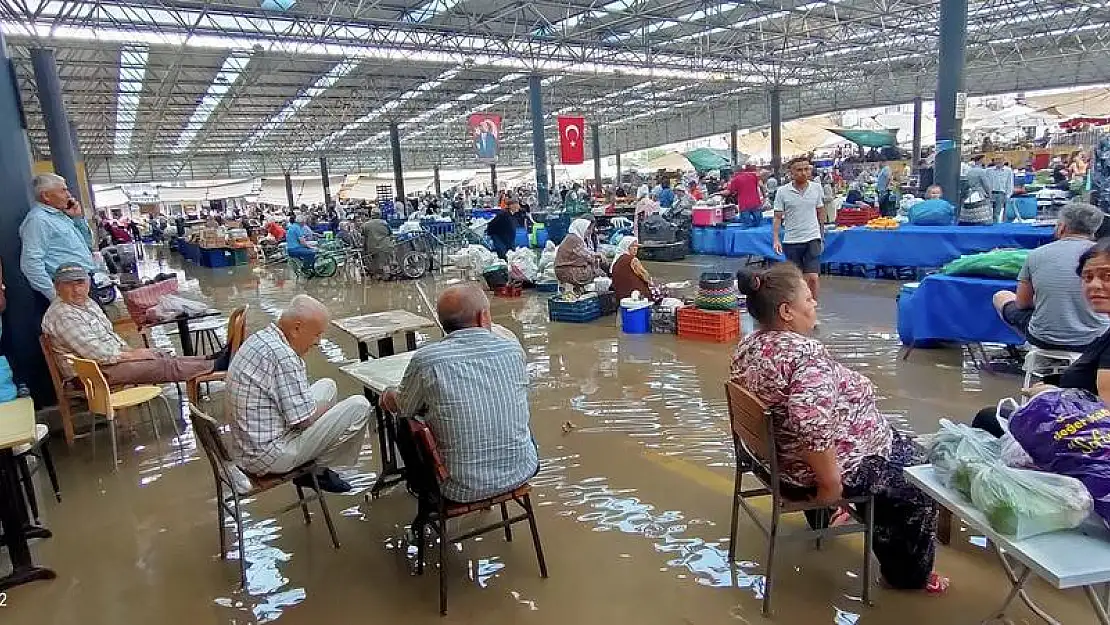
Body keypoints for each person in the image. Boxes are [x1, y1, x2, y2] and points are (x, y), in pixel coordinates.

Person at [730, 263, 947, 593]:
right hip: (814, 469)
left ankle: (835, 517)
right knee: (923, 485)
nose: (815, 302)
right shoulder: (805, 355)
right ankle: (905, 578)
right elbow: (810, 424)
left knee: (906, 449)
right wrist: (830, 489)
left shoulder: (751, 344)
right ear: (787, 311)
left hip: (776, 459)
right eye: (808, 297)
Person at [380, 285, 538, 502]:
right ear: (483, 317)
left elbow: (405, 406)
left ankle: (421, 490)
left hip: (460, 487)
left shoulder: (426, 360)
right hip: (522, 471)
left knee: (404, 422)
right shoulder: (512, 350)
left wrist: (388, 395)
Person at [226, 295, 370, 491]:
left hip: (250, 448)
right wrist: (325, 410)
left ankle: (316, 468)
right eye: (316, 334)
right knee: (360, 406)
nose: (318, 342)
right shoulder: (283, 356)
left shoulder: (263, 337)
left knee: (328, 385)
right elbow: (304, 420)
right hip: (269, 456)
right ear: (296, 328)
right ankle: (315, 470)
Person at [976, 237, 1110, 436]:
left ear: (1061, 228)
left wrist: (1054, 395)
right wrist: (1054, 383)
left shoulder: (1038, 255)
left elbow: (1105, 416)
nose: (1094, 285)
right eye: (1087, 277)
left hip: (1086, 437)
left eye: (1106, 276)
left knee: (988, 418)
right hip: (1078, 416)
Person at [41, 264, 226, 384]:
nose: (77, 289)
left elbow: (109, 337)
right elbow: (99, 354)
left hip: (106, 364)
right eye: (69, 285)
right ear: (57, 287)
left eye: (80, 283)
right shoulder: (63, 314)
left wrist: (132, 353)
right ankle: (218, 365)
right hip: (91, 374)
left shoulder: (86, 303)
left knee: (163, 356)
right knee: (161, 365)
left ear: (88, 283)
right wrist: (135, 354)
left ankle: (211, 359)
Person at [992, 202, 1108, 352]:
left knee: (1001, 296)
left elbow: (1022, 304)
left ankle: (1030, 347)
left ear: (1062, 227)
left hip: (1045, 339)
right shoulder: (1103, 257)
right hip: (1098, 338)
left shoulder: (1037, 254)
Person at [19, 173, 96, 303]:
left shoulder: (61, 217)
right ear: (46, 196)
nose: (69, 195)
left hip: (83, 282)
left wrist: (77, 218)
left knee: (98, 322)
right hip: (68, 289)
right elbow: (31, 263)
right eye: (63, 190)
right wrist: (54, 294)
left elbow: (89, 244)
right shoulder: (38, 220)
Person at [772, 156, 825, 302]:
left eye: (806, 169)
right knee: (797, 280)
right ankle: (799, 308)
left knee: (813, 278)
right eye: (799, 170)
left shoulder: (816, 188)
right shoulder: (782, 192)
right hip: (792, 240)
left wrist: (822, 235)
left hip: (812, 238)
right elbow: (777, 217)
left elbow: (820, 211)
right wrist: (776, 239)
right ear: (791, 172)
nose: (803, 173)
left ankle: (813, 309)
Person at [555, 218, 605, 288]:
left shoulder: (573, 237)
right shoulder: (574, 239)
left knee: (595, 267)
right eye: (588, 229)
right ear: (581, 228)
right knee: (597, 272)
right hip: (567, 272)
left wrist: (597, 256)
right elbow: (587, 257)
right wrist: (598, 259)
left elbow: (586, 253)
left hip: (564, 270)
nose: (590, 232)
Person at [610, 236, 654, 301]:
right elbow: (645, 275)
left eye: (636, 246)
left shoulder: (617, 260)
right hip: (635, 295)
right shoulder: (632, 260)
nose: (635, 249)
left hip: (621, 296)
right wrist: (651, 283)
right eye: (633, 246)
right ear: (626, 247)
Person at [360, 209, 393, 278]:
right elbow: (391, 234)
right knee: (386, 262)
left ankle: (377, 274)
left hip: (372, 248)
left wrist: (363, 248)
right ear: (380, 215)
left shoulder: (365, 225)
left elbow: (363, 239)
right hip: (386, 246)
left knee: (374, 261)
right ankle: (387, 273)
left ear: (371, 215)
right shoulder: (385, 223)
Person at [988, 157, 1014, 222]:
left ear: (1004, 161)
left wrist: (1008, 195)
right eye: (997, 159)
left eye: (1000, 159)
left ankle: (996, 228)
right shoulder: (989, 170)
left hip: (1001, 194)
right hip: (990, 193)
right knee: (988, 213)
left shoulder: (1008, 171)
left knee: (998, 214)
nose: (998, 161)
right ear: (994, 161)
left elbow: (1010, 183)